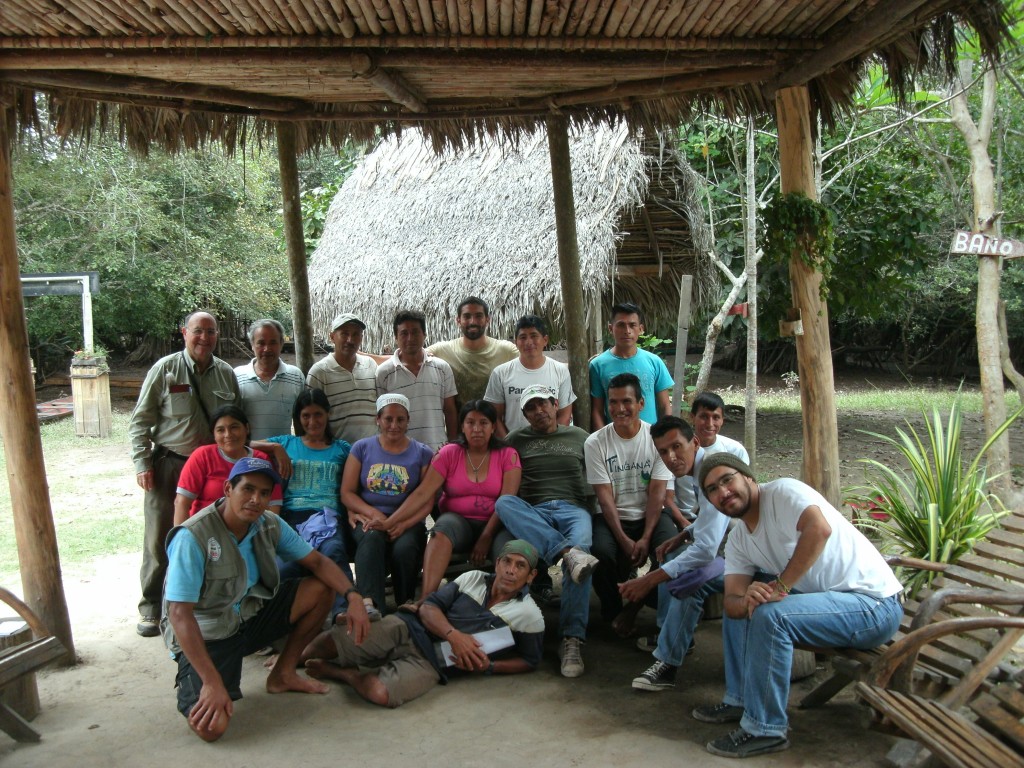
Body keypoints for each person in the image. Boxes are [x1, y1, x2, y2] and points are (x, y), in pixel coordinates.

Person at [694, 453, 903, 759]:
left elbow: (819, 529)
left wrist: (781, 586)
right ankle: (739, 699)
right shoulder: (739, 538)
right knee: (751, 604)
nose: (723, 492)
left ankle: (765, 729)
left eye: (728, 480)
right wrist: (746, 597)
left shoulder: (783, 492)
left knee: (772, 615)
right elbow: (731, 603)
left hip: (874, 605)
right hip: (832, 604)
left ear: (748, 477)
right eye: (712, 489)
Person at [162, 456, 370, 742]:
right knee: (212, 728)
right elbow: (179, 614)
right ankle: (210, 679)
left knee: (321, 588)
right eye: (247, 489)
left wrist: (354, 596)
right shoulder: (193, 536)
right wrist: (210, 682)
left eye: (264, 493)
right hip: (209, 634)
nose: (255, 500)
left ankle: (283, 673)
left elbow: (318, 562)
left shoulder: (268, 524)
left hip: (249, 615)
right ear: (228, 489)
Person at [299, 540, 543, 708]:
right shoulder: (474, 578)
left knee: (379, 692)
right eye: (507, 562)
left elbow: (529, 660)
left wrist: (489, 666)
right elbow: (428, 607)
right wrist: (453, 636)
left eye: (520, 566)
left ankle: (344, 674)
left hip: (433, 662)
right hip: (408, 628)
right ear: (497, 563)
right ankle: (291, 661)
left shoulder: (529, 615)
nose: (511, 570)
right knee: (332, 641)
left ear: (531, 576)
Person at [129, 310, 240, 637]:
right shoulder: (165, 370)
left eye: (211, 331)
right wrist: (142, 463)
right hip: (171, 464)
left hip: (211, 467)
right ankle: (151, 607)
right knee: (160, 536)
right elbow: (139, 422)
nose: (204, 338)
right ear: (184, 333)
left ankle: (201, 604)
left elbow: (237, 420)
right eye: (198, 331)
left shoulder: (226, 374)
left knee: (209, 536)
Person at [623, 416, 744, 690]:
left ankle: (668, 659)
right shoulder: (701, 470)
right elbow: (711, 521)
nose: (671, 457)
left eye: (677, 447)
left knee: (687, 578)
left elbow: (706, 549)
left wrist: (649, 579)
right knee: (678, 567)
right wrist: (685, 533)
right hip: (735, 550)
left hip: (752, 559)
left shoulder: (712, 474)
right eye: (663, 451)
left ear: (695, 443)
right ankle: (674, 644)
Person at [368, 400, 521, 598]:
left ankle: (501, 605)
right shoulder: (449, 453)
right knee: (441, 530)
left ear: (493, 427)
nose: (476, 429)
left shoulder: (508, 455)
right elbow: (423, 493)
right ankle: (427, 599)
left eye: (483, 423)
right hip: (458, 523)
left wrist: (486, 537)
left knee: (510, 553)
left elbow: (506, 503)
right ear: (462, 426)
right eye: (470, 423)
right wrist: (390, 522)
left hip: (497, 524)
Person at [495, 385, 598, 678]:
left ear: (555, 404)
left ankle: (572, 639)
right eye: (531, 408)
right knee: (504, 503)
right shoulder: (515, 440)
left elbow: (599, 475)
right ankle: (566, 553)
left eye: (543, 404)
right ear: (525, 414)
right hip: (534, 511)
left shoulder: (580, 436)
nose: (538, 411)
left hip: (573, 509)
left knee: (582, 552)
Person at [251, 388, 356, 610]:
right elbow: (242, 444)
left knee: (334, 551)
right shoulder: (287, 443)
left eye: (318, 414)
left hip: (328, 518)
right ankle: (279, 616)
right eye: (306, 415)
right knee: (284, 566)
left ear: (327, 414)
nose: (312, 421)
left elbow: (353, 485)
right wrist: (274, 448)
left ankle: (345, 611)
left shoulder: (342, 448)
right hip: (292, 518)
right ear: (298, 418)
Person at [584, 373, 674, 626]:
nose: (619, 408)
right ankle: (612, 610)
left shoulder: (656, 438)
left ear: (641, 404)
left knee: (672, 552)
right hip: (612, 516)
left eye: (626, 401)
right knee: (599, 553)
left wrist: (645, 537)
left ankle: (636, 605)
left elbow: (657, 493)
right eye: (613, 402)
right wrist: (624, 539)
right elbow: (604, 498)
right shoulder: (595, 442)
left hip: (650, 514)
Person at [341, 393, 434, 613]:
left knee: (405, 547)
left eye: (400, 419)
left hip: (408, 522)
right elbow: (347, 492)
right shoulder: (361, 448)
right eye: (388, 419)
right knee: (372, 537)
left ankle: (405, 602)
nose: (394, 425)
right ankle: (370, 603)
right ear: (378, 420)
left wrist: (402, 523)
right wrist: (377, 515)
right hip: (369, 517)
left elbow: (426, 500)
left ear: (408, 420)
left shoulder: (422, 453)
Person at [173, 405, 282, 524]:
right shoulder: (203, 456)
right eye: (220, 430)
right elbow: (182, 503)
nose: (228, 435)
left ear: (246, 428)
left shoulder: (260, 459)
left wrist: (267, 533)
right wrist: (182, 535)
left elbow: (273, 506)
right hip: (205, 527)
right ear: (214, 434)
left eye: (234, 427)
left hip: (249, 530)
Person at [376, 309, 458, 451]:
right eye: (404, 333)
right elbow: (381, 416)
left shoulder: (442, 368)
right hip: (400, 453)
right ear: (396, 337)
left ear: (424, 334)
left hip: (438, 451)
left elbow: (450, 411)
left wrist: (452, 447)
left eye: (415, 332)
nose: (410, 338)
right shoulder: (384, 373)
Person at [484, 314, 575, 437]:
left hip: (551, 444)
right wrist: (508, 444)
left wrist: (551, 443)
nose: (528, 342)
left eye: (534, 336)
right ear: (516, 342)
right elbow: (495, 417)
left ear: (545, 340)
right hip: (514, 445)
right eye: (523, 337)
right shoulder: (500, 373)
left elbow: (564, 415)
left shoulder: (560, 371)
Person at [588, 302, 673, 428]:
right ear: (611, 328)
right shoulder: (597, 365)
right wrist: (602, 437)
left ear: (641, 329)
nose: (627, 331)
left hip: (650, 436)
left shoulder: (654, 362)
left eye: (632, 325)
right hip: (615, 436)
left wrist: (664, 434)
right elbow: (597, 410)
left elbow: (665, 406)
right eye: (621, 325)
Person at [669, 391, 748, 523]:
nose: (710, 424)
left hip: (724, 516)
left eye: (716, 417)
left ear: (722, 420)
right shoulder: (675, 450)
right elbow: (667, 496)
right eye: (704, 416)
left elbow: (744, 490)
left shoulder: (734, 450)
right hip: (686, 518)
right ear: (692, 417)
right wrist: (684, 524)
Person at [427, 296, 517, 409]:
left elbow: (531, 362)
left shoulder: (506, 350)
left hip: (495, 419)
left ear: (487, 320)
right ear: (458, 320)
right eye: (467, 316)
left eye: (478, 316)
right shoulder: (443, 349)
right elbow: (416, 354)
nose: (473, 322)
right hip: (457, 420)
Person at [307, 313, 383, 445]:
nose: (350, 340)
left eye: (356, 334)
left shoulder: (370, 365)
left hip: (372, 450)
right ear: (332, 337)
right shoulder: (319, 372)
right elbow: (310, 417)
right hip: (338, 451)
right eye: (344, 334)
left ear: (361, 338)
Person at [233, 319, 304, 440]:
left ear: (281, 344)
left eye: (273, 342)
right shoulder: (237, 376)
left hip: (284, 450)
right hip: (249, 450)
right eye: (261, 343)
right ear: (252, 345)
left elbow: (300, 420)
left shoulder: (296, 376)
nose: (267, 349)